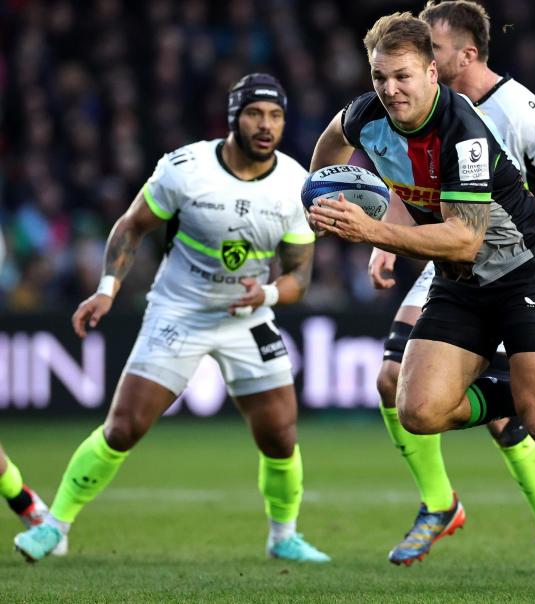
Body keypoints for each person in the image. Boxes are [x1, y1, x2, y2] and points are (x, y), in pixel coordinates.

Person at [307, 12, 535, 594]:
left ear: (433, 72)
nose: (390, 90)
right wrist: (321, 188)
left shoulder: (461, 130)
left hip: (523, 271)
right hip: (459, 280)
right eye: (380, 76)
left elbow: (465, 235)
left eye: (403, 77)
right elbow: (334, 137)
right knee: (417, 411)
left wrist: (371, 231)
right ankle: (521, 388)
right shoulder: (368, 114)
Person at [14, 74, 329, 565]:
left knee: (280, 436)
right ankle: (54, 526)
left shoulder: (295, 184)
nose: (266, 125)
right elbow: (131, 226)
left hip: (248, 316)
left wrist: (264, 293)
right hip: (179, 310)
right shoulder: (185, 168)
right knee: (123, 428)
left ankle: (283, 536)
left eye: (276, 116)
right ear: (234, 118)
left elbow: (298, 278)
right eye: (254, 114)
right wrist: (106, 290)